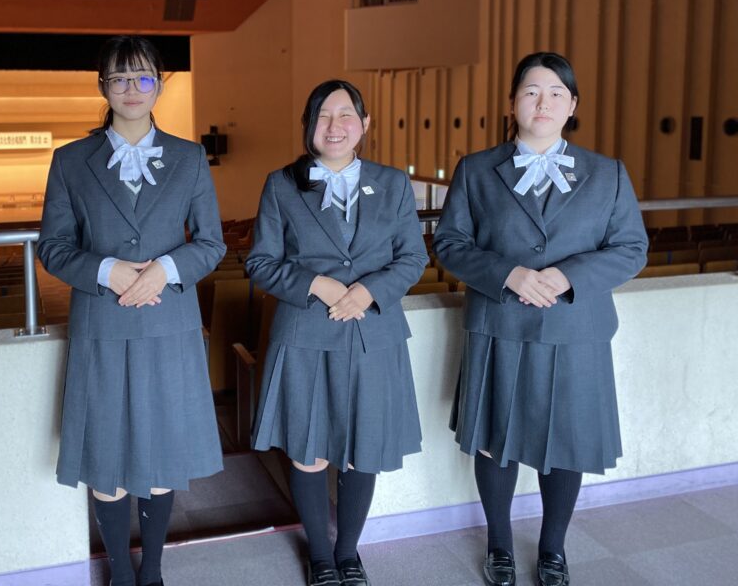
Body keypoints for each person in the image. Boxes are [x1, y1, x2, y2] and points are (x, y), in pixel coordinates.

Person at [433, 52, 648, 586]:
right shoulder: (475, 169)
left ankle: (553, 548)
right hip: (499, 324)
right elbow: (450, 244)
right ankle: (499, 544)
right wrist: (508, 274)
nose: (543, 102)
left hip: (575, 329)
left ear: (572, 105)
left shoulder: (608, 173)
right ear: (513, 103)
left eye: (556, 93)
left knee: (566, 441)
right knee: (495, 439)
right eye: (531, 91)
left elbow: (631, 248)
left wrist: (568, 276)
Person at [37, 36, 226, 586]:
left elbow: (211, 243)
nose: (131, 89)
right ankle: (121, 573)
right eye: (119, 78)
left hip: (169, 323)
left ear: (159, 85)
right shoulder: (70, 161)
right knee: (108, 458)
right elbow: (53, 247)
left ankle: (154, 572)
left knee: (161, 457)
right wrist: (105, 270)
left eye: (142, 77)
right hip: (103, 323)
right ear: (103, 87)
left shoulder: (190, 158)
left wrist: (164, 269)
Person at [246, 80, 428, 586]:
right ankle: (321, 555)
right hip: (306, 333)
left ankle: (349, 553)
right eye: (323, 115)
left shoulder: (393, 183)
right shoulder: (281, 184)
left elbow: (413, 256)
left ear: (364, 124)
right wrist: (317, 284)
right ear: (309, 125)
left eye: (346, 115)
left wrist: (369, 291)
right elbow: (261, 262)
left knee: (363, 448)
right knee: (309, 450)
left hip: (374, 334)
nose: (335, 126)